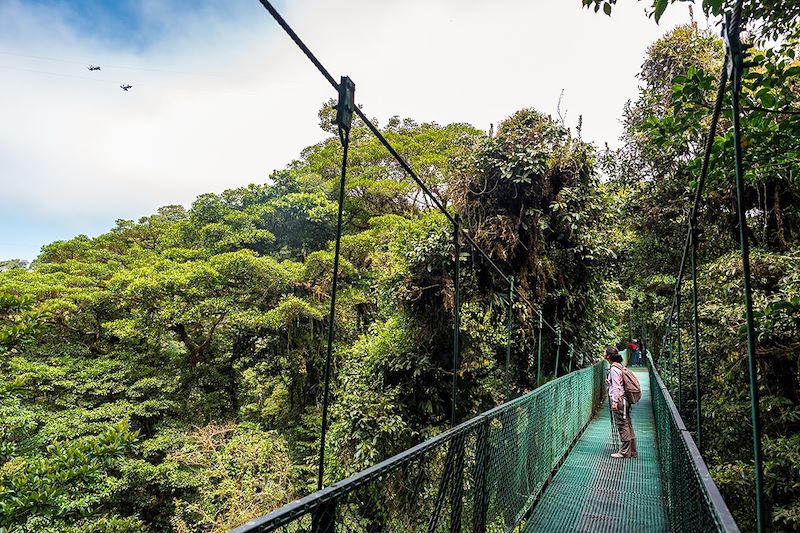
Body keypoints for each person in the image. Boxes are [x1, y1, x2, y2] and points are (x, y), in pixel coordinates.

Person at [604, 345, 637, 458]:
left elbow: (618, 387)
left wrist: (615, 402)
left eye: (605, 352)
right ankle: (632, 451)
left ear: (608, 355)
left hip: (620, 401)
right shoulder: (619, 366)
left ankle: (624, 452)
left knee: (622, 425)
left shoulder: (613, 369)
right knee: (627, 424)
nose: (603, 353)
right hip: (624, 400)